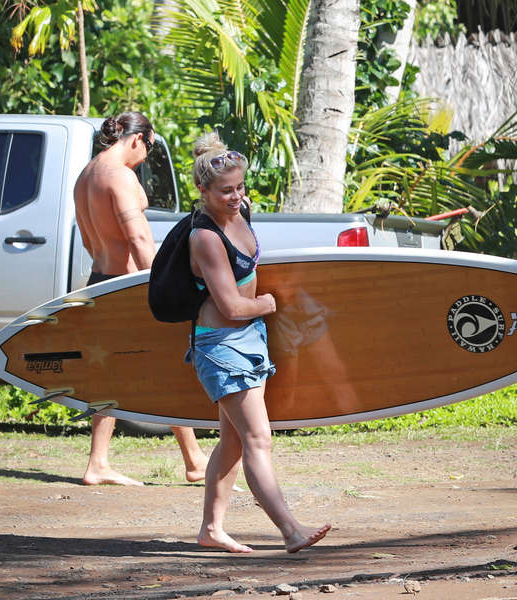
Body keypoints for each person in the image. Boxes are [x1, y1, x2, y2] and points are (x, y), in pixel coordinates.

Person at [186, 132, 331, 553]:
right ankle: (290, 530)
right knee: (257, 439)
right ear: (203, 190)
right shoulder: (206, 237)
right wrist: (269, 302)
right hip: (223, 345)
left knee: (233, 440)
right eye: (225, 190)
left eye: (240, 187)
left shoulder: (241, 213)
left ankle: (210, 530)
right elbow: (231, 305)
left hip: (249, 339)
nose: (235, 197)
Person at [73, 111, 209, 486]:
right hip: (131, 284)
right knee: (166, 363)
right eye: (148, 147)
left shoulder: (85, 177)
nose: (147, 156)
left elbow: (88, 240)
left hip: (101, 279)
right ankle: (195, 461)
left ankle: (99, 463)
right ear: (137, 139)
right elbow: (138, 238)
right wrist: (158, 284)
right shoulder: (120, 175)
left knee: (112, 370)